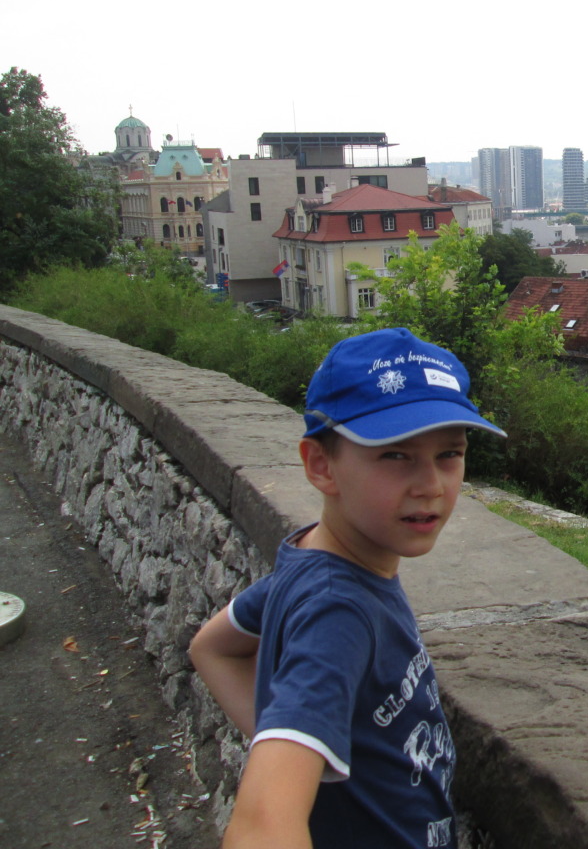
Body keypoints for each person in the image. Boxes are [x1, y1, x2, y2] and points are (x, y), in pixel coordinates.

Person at [189, 327, 506, 849]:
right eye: (396, 455)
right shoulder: (339, 612)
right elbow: (260, 829)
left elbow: (212, 648)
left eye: (449, 454)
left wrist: (303, 754)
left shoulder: (312, 562)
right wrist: (285, 770)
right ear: (321, 465)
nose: (431, 485)